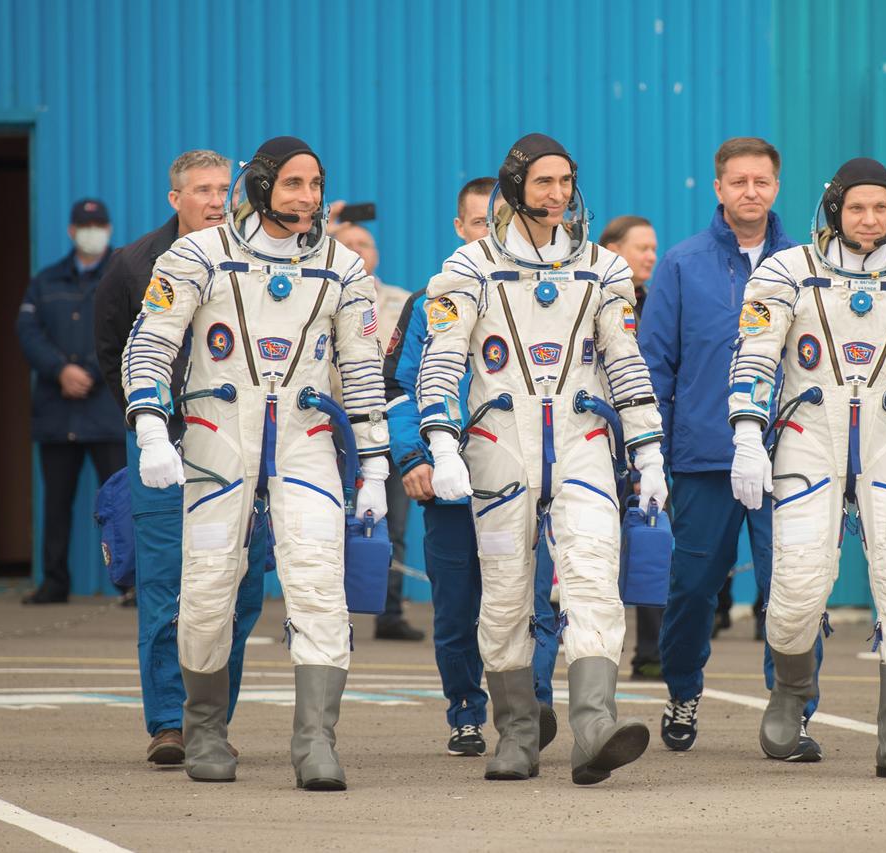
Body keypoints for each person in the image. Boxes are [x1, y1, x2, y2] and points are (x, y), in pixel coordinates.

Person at [121, 136, 389, 790]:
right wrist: (152, 428)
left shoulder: (341, 268)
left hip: (306, 442)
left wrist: (376, 464)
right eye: (293, 183)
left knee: (320, 585)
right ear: (262, 185)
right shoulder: (196, 255)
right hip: (217, 440)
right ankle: (206, 729)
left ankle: (315, 740)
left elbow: (360, 370)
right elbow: (149, 344)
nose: (307, 197)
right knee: (209, 585)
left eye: (315, 185)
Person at [415, 134, 667, 785]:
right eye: (542, 182)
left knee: (591, 581)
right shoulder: (467, 268)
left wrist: (649, 451)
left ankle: (594, 727)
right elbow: (441, 361)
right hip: (499, 452)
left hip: (584, 448)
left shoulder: (604, 269)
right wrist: (441, 440)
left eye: (564, 182)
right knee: (503, 600)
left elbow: (628, 365)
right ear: (514, 188)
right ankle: (518, 732)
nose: (556, 194)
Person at [728, 157, 886, 779]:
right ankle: (792, 692)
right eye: (856, 208)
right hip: (806, 440)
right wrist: (745, 434)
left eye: (881, 208)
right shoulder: (787, 272)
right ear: (833, 213)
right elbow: (755, 357)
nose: (869, 220)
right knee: (795, 588)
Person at [638, 137, 816, 758]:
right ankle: (682, 690)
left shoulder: (809, 264)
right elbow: (655, 364)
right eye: (737, 181)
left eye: (761, 181)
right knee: (690, 588)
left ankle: (792, 708)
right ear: (718, 188)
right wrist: (651, 453)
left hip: (792, 459)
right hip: (704, 457)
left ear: (777, 186)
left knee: (794, 588)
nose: (750, 192)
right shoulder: (683, 264)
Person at [94, 150, 266, 765]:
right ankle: (170, 723)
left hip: (243, 449)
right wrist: (152, 428)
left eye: (225, 188)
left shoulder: (259, 258)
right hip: (164, 451)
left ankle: (212, 720)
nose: (217, 199)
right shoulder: (135, 263)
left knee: (241, 590)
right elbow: (115, 346)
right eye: (202, 189)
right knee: (167, 587)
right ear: (176, 198)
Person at [386, 176, 560, 758]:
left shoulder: (552, 294)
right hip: (451, 489)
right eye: (481, 222)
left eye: (502, 219)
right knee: (457, 611)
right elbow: (402, 388)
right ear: (461, 229)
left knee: (532, 602)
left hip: (522, 483)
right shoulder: (428, 301)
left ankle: (533, 703)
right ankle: (465, 710)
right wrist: (413, 456)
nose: (494, 230)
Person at [18, 198, 126, 605]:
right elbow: (27, 332)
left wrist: (94, 373)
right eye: (86, 224)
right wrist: (60, 370)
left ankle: (129, 583)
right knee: (57, 502)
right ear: (71, 230)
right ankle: (55, 582)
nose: (93, 229)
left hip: (104, 410)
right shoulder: (46, 281)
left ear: (109, 229)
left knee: (119, 500)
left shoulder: (119, 276)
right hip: (56, 409)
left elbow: (128, 331)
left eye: (100, 223)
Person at [333, 219, 425, 642]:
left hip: (388, 430)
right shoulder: (320, 297)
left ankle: (389, 611)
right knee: (329, 523)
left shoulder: (401, 301)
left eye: (364, 243)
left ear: (376, 254)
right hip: (333, 430)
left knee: (391, 524)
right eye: (346, 244)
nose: (357, 250)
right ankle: (329, 611)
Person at [601, 215, 663, 681]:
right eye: (640, 247)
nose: (650, 257)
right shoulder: (595, 296)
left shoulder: (656, 305)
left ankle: (650, 652)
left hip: (644, 438)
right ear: (611, 250)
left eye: (653, 248)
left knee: (649, 540)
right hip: (595, 438)